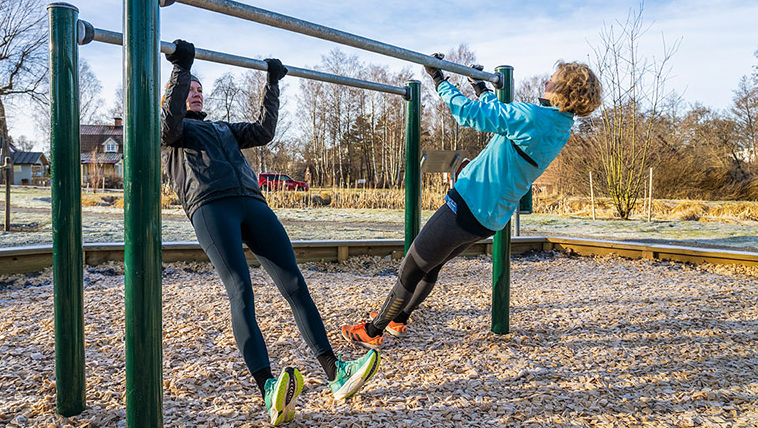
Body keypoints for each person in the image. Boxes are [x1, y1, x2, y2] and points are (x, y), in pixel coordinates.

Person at [161, 39, 380, 426]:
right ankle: (268, 389)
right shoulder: (169, 132)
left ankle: (335, 374)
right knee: (241, 290)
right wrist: (181, 68)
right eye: (188, 89)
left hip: (253, 203)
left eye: (198, 89)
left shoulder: (222, 128)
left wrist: (272, 83)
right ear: (176, 94)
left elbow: (263, 131)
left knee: (295, 283)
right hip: (211, 206)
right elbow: (169, 122)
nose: (194, 93)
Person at [341, 56, 602, 349]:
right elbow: (502, 115)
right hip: (488, 218)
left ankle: (374, 331)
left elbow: (469, 113)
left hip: (467, 205)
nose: (546, 82)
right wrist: (480, 86)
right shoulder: (558, 125)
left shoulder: (534, 118)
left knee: (411, 266)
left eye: (551, 80)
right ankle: (398, 318)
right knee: (431, 266)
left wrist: (439, 81)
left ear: (563, 90)